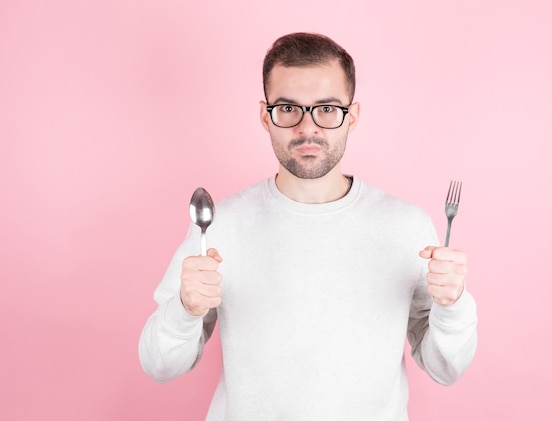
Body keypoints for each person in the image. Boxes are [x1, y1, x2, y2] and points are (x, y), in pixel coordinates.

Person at [139, 32, 478, 421]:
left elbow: (445, 369)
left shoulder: (406, 225)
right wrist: (185, 308)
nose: (307, 128)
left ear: (352, 116)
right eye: (288, 108)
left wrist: (452, 307)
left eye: (327, 109)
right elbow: (159, 366)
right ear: (266, 117)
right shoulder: (220, 224)